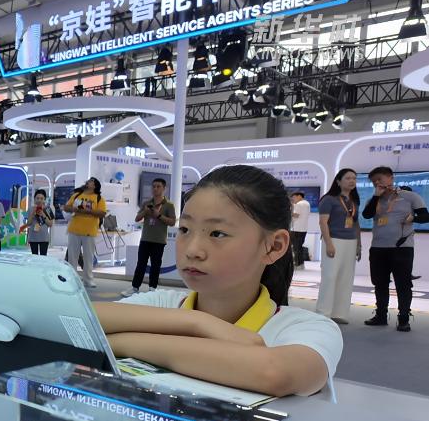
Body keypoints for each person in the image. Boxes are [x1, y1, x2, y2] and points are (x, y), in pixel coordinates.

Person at [95, 165, 342, 399]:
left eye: (217, 234)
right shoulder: (163, 303)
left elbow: (273, 372)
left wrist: (116, 342)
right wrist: (196, 322)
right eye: (185, 230)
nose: (192, 250)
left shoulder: (305, 328)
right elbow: (78, 318)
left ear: (274, 246)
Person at [361, 166, 429, 332]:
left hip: (402, 248)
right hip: (378, 248)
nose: (377, 182)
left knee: (403, 284)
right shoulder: (374, 199)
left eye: (380, 178)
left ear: (391, 178)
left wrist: (414, 218)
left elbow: (426, 216)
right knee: (380, 283)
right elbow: (366, 215)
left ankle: (404, 319)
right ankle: (381, 316)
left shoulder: (410, 196)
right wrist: (376, 196)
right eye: (374, 181)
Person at [315, 169, 361, 325]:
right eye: (348, 178)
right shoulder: (328, 199)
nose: (352, 181)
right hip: (334, 240)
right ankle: (323, 312)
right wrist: (329, 244)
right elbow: (323, 222)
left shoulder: (354, 201)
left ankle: (340, 312)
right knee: (330, 276)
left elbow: (356, 224)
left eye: (354, 178)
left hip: (351, 241)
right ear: (338, 181)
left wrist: (359, 244)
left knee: (346, 278)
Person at [122, 178, 176, 296]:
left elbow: (172, 222)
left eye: (158, 186)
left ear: (164, 188)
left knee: (155, 265)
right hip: (145, 238)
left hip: (159, 240)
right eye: (153, 186)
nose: (155, 189)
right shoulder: (147, 203)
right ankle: (135, 287)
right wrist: (145, 212)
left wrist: (159, 215)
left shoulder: (169, 205)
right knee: (141, 264)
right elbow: (137, 218)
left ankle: (152, 289)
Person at [64, 178, 107, 288]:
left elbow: (102, 213)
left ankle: (88, 279)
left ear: (95, 186)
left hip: (89, 231)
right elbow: (66, 207)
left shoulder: (99, 198)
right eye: (89, 180)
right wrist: (75, 209)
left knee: (88, 257)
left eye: (91, 180)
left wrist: (88, 211)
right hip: (74, 229)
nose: (88, 181)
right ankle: (71, 278)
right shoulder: (77, 195)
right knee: (72, 257)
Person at [27, 189, 54, 255]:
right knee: (34, 257)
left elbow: (50, 224)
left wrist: (43, 215)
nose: (39, 200)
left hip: (44, 238)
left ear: (44, 199)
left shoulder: (48, 209)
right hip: (33, 237)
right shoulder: (30, 209)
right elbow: (28, 223)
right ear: (34, 199)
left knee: (43, 258)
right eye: (37, 198)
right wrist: (33, 213)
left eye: (41, 198)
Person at [290, 191, 311, 268]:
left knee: (295, 247)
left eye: (294, 197)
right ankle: (301, 264)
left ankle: (297, 264)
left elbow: (296, 215)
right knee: (299, 247)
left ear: (299, 196)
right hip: (303, 229)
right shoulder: (307, 203)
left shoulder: (299, 204)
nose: (293, 199)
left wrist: (288, 211)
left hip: (296, 229)